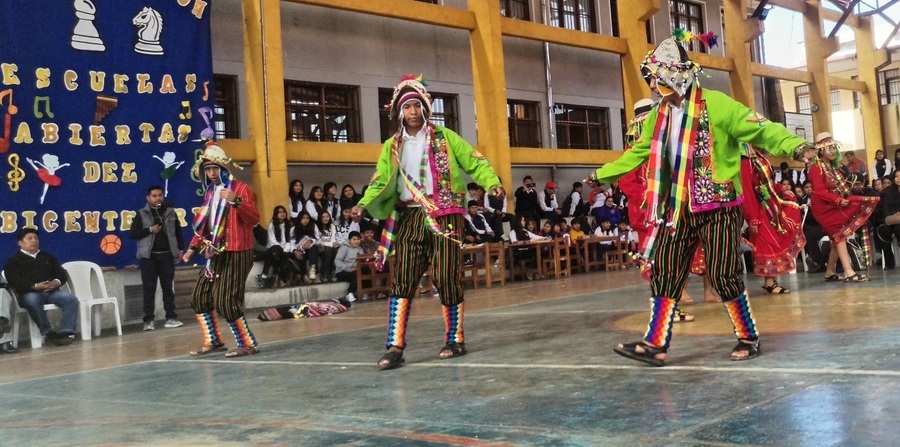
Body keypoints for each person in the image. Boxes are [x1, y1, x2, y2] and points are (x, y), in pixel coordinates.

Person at [587, 33, 816, 366]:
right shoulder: (659, 115)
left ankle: (748, 336)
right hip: (676, 207)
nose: (655, 85)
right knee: (664, 271)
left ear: (678, 74)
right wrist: (602, 175)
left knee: (723, 274)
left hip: (719, 207)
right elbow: (639, 151)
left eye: (660, 78)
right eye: (653, 79)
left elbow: (759, 127)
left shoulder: (716, 104)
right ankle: (655, 343)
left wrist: (795, 146)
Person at [351, 74, 503, 370]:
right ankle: (395, 346)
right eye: (406, 107)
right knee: (403, 278)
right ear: (399, 112)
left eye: (416, 106)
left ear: (424, 108)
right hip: (408, 216)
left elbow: (476, 162)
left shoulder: (445, 138)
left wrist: (492, 183)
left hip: (445, 215)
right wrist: (361, 204)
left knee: (447, 277)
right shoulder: (391, 146)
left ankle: (455, 339)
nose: (412, 112)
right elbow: (380, 180)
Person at [182, 142, 261, 358]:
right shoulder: (210, 192)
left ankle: (247, 343)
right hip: (214, 252)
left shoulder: (241, 189)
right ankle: (214, 340)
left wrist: (237, 202)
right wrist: (192, 248)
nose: (211, 173)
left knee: (226, 301)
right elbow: (206, 225)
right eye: (207, 169)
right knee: (199, 298)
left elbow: (255, 218)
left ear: (224, 169)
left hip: (237, 251)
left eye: (215, 168)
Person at [807, 132, 879, 282]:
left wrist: (842, 198)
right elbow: (819, 192)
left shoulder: (835, 167)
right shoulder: (815, 167)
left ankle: (829, 272)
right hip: (823, 208)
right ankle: (849, 272)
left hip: (835, 204)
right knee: (839, 236)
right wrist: (837, 200)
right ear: (821, 150)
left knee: (838, 237)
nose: (833, 151)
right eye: (829, 148)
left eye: (834, 148)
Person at [740, 145, 806, 294]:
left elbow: (767, 183)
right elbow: (747, 190)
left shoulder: (759, 155)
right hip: (758, 208)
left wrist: (781, 189)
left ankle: (771, 281)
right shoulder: (745, 159)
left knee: (776, 239)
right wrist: (752, 219)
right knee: (767, 243)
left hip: (770, 205)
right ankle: (769, 282)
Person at [3, 228, 79, 346]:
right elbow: (14, 281)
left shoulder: (47, 257)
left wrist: (56, 282)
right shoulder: (13, 261)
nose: (34, 241)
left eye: (36, 238)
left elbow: (62, 273)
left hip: (52, 292)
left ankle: (66, 332)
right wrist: (35, 286)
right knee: (32, 300)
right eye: (29, 238)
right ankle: (48, 332)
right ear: (20, 243)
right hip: (30, 293)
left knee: (71, 299)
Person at [130, 185, 185, 330]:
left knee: (168, 288)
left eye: (160, 195)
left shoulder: (170, 213)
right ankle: (148, 320)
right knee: (149, 288)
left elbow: (178, 232)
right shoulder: (141, 214)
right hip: (149, 257)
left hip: (166, 255)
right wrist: (150, 230)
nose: (158, 198)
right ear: (148, 198)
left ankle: (171, 317)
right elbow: (133, 234)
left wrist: (180, 250)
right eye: (154, 196)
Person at [257, 206, 295, 288]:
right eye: (279, 212)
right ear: (276, 214)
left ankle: (265, 276)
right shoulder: (272, 224)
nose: (282, 214)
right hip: (275, 248)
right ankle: (281, 279)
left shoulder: (290, 224)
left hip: (287, 249)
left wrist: (285, 249)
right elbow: (272, 241)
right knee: (275, 251)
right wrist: (282, 249)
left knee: (274, 255)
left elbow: (291, 240)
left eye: (283, 211)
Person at [335, 231, 364, 302]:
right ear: (349, 240)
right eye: (354, 239)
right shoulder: (344, 248)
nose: (356, 241)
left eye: (358, 239)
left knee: (364, 271)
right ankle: (350, 293)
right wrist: (347, 268)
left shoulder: (360, 249)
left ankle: (365, 293)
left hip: (355, 270)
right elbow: (337, 261)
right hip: (342, 272)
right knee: (356, 274)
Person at [292, 211, 320, 283]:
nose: (305, 220)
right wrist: (295, 250)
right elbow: (291, 242)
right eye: (303, 218)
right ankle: (304, 276)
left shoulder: (313, 226)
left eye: (307, 218)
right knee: (301, 254)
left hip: (310, 249)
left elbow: (318, 239)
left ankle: (313, 270)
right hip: (298, 249)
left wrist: (310, 241)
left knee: (314, 248)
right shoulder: (293, 229)